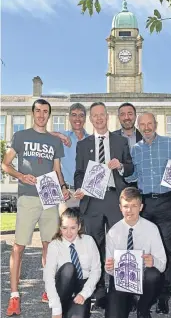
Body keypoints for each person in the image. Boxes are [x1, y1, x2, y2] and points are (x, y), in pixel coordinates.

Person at [2, 99, 69, 316]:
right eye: (38, 111)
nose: (41, 114)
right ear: (32, 113)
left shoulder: (54, 140)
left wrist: (64, 187)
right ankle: (14, 296)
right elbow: (5, 163)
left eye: (45, 111)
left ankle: (48, 290)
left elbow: (57, 170)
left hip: (49, 198)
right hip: (28, 197)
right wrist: (21, 175)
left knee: (49, 246)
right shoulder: (21, 136)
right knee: (19, 247)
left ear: (49, 115)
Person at [74, 102, 134, 307]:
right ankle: (98, 291)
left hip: (115, 198)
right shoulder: (83, 144)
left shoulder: (120, 141)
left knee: (120, 245)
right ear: (90, 119)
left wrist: (121, 166)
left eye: (102, 115)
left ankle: (122, 290)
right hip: (92, 200)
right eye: (95, 116)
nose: (99, 118)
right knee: (95, 247)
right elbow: (79, 173)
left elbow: (130, 166)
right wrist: (80, 188)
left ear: (107, 117)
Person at [128, 112, 171, 314]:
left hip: (166, 202)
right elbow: (133, 175)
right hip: (145, 204)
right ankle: (145, 294)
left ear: (156, 124)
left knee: (165, 251)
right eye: (142, 124)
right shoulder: (135, 149)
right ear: (139, 126)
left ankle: (163, 296)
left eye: (149, 123)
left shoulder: (169, 143)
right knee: (143, 249)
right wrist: (121, 170)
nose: (146, 127)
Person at [105, 187, 167, 318]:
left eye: (134, 206)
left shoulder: (152, 229)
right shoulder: (113, 232)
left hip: (144, 276)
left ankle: (143, 307)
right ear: (120, 207)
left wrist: (153, 261)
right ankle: (127, 301)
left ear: (141, 207)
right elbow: (109, 269)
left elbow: (162, 264)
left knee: (153, 275)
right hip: (121, 279)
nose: (129, 210)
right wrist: (109, 267)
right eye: (126, 206)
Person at [44, 208, 101, 318]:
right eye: (64, 228)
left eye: (73, 228)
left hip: (82, 286)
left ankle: (68, 311)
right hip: (64, 286)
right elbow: (48, 277)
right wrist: (56, 307)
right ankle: (62, 308)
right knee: (69, 268)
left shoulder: (88, 241)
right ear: (60, 228)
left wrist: (84, 294)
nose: (68, 233)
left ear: (79, 227)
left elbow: (96, 271)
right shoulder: (55, 245)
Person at [51, 103, 88, 214]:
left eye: (81, 115)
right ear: (69, 118)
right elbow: (40, 135)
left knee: (84, 230)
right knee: (65, 229)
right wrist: (59, 135)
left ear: (85, 118)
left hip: (85, 194)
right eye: (74, 115)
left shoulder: (91, 140)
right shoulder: (62, 136)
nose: (77, 118)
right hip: (66, 192)